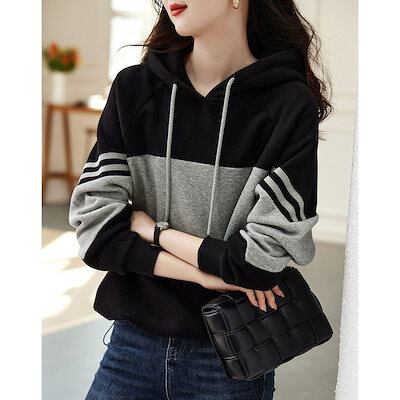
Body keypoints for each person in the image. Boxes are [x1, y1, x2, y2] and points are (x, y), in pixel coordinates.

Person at [68, 0, 332, 398]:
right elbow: (96, 233)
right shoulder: (134, 90)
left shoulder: (288, 105)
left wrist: (153, 231)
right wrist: (204, 275)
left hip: (230, 357)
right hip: (131, 346)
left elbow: (256, 265)